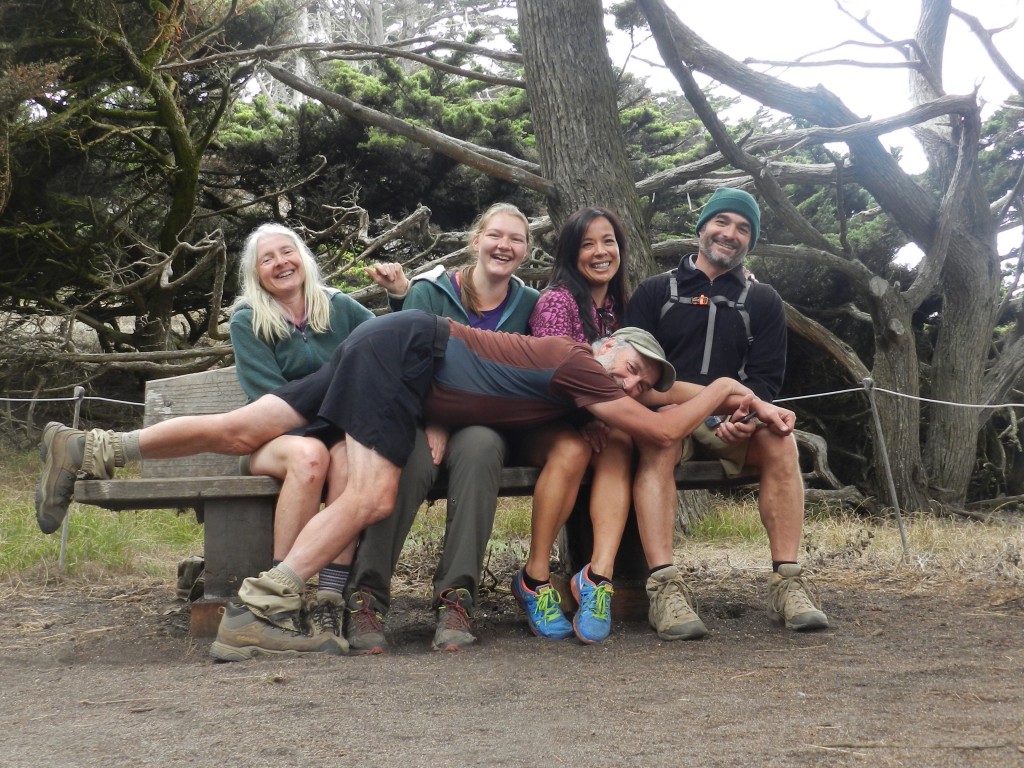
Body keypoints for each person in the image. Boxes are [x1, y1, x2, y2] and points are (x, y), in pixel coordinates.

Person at [35, 309, 792, 660]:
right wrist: (729, 381)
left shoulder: (586, 378)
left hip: (393, 343)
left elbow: (661, 406)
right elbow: (661, 428)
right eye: (627, 364)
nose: (629, 381)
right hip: (408, 354)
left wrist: (744, 403)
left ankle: (92, 446)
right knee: (373, 496)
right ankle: (258, 609)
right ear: (603, 347)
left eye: (641, 378)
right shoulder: (576, 362)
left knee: (244, 427)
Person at [624, 187, 829, 640]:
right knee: (658, 442)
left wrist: (748, 419)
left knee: (780, 438)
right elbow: (635, 374)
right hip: (665, 411)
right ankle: (664, 588)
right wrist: (709, 402)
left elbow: (766, 382)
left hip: (732, 419)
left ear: (750, 242)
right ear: (701, 229)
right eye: (722, 222)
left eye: (743, 229)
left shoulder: (764, 301)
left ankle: (787, 582)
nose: (730, 234)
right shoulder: (656, 291)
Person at [349, 203, 539, 653]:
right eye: (496, 235)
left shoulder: (530, 305)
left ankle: (456, 599)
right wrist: (434, 420)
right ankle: (365, 598)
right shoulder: (429, 291)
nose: (504, 246)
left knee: (481, 450)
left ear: (527, 251)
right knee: (408, 461)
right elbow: (406, 368)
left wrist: (455, 422)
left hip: (485, 425)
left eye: (516, 239)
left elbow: (525, 378)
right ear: (476, 241)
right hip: (419, 419)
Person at [228, 222, 373, 640]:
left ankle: (329, 598)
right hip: (272, 440)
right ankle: (280, 599)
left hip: (335, 433)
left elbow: (384, 344)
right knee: (313, 457)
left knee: (348, 461)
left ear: (303, 259)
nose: (280, 263)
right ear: (257, 274)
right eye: (267, 259)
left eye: (286, 252)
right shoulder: (247, 319)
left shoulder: (340, 307)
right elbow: (270, 400)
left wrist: (399, 296)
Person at [516, 207, 634, 644]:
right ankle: (535, 579)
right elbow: (551, 376)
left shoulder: (624, 307)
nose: (601, 252)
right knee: (575, 448)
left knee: (619, 440)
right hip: (541, 419)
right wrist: (585, 418)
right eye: (588, 244)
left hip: (600, 420)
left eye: (609, 241)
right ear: (571, 253)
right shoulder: (557, 302)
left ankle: (597, 577)